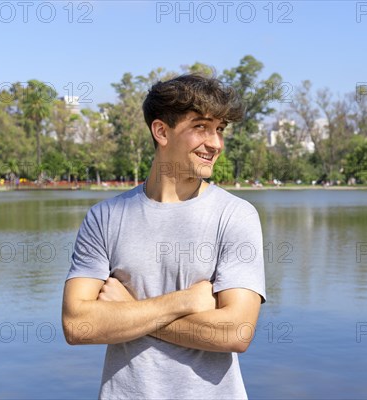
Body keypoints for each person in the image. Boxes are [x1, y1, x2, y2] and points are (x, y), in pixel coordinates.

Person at [62, 74, 266, 399]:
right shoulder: (105, 217)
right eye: (201, 127)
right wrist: (185, 301)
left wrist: (130, 309)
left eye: (220, 129)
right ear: (161, 131)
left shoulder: (235, 215)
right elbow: (77, 325)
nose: (216, 143)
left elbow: (236, 332)